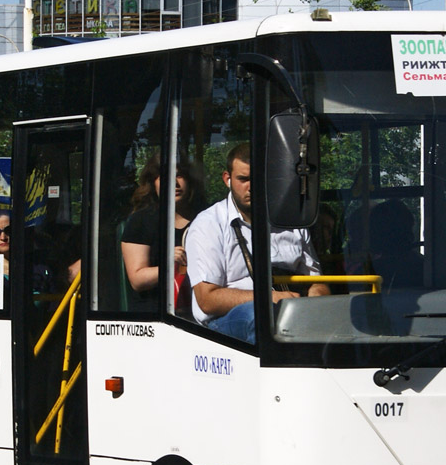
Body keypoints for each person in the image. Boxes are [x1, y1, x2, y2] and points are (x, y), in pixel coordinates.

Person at [185, 144, 329, 343]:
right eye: (243, 179)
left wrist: (315, 304)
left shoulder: (292, 221)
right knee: (260, 317)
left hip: (293, 311)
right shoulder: (208, 224)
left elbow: (316, 281)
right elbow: (207, 300)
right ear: (227, 179)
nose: (251, 187)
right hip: (226, 322)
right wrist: (270, 299)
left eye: (258, 178)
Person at [120, 154, 202, 309]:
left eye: (180, 176)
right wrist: (169, 264)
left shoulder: (207, 216)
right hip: (156, 314)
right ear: (153, 183)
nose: (174, 183)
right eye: (165, 177)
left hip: (202, 308)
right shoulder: (141, 221)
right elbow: (137, 280)